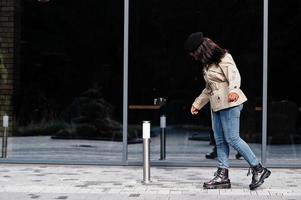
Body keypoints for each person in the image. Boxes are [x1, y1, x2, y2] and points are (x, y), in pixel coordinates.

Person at [184, 32, 271, 190]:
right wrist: (197, 103)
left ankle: (259, 169)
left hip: (230, 103)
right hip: (216, 105)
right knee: (220, 141)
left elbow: (234, 76)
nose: (194, 57)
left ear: (202, 49)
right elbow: (209, 88)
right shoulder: (207, 65)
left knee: (233, 139)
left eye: (194, 53)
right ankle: (222, 176)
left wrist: (233, 90)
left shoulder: (223, 57)